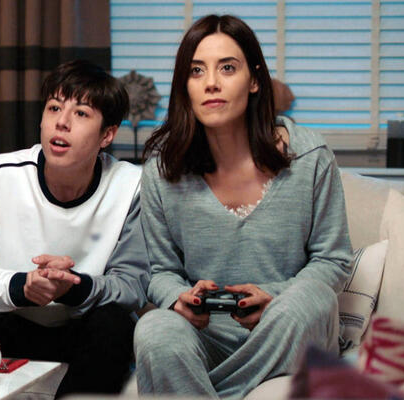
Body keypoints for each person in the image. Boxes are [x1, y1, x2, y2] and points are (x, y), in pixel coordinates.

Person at [133, 15, 352, 398]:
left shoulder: (311, 157)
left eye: (227, 68)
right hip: (207, 336)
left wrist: (275, 295)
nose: (211, 83)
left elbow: (333, 260)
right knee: (153, 328)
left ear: (254, 80)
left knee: (312, 299)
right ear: (184, 86)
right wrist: (179, 298)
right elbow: (159, 270)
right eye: (196, 71)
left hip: (287, 326)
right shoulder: (162, 169)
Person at [0, 59, 150, 396]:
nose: (62, 122)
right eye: (54, 108)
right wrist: (21, 286)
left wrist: (72, 288)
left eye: (81, 113)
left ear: (107, 135)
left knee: (115, 324)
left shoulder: (132, 186)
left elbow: (132, 284)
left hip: (80, 328)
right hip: (9, 322)